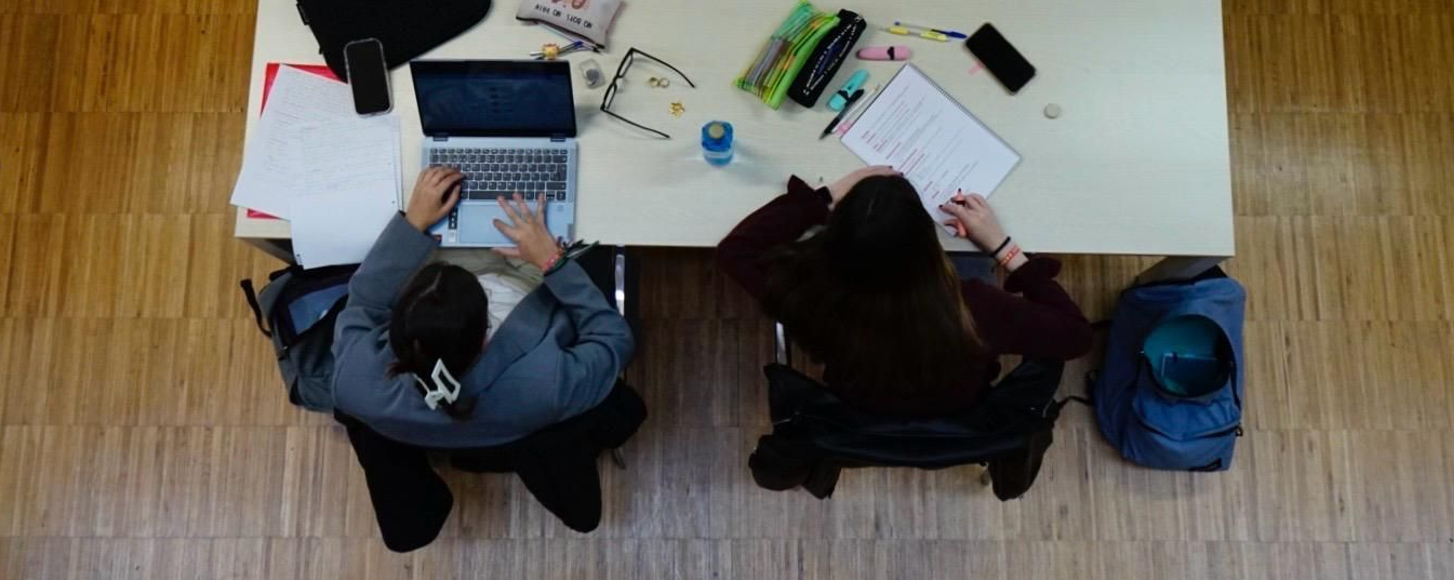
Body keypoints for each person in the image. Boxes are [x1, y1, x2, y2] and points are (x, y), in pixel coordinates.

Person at [716, 165, 1093, 416]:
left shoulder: (807, 294)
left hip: (859, 401)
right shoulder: (977, 309)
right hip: (957, 405)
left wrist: (825, 196)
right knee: (976, 265)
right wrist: (1005, 250)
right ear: (928, 248)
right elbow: (1076, 337)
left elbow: (736, 251)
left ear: (834, 242)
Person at [331, 166, 634, 448]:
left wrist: (413, 223)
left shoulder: (353, 382)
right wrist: (553, 263)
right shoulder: (544, 386)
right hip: (534, 288)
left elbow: (364, 302)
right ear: (485, 337)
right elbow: (614, 342)